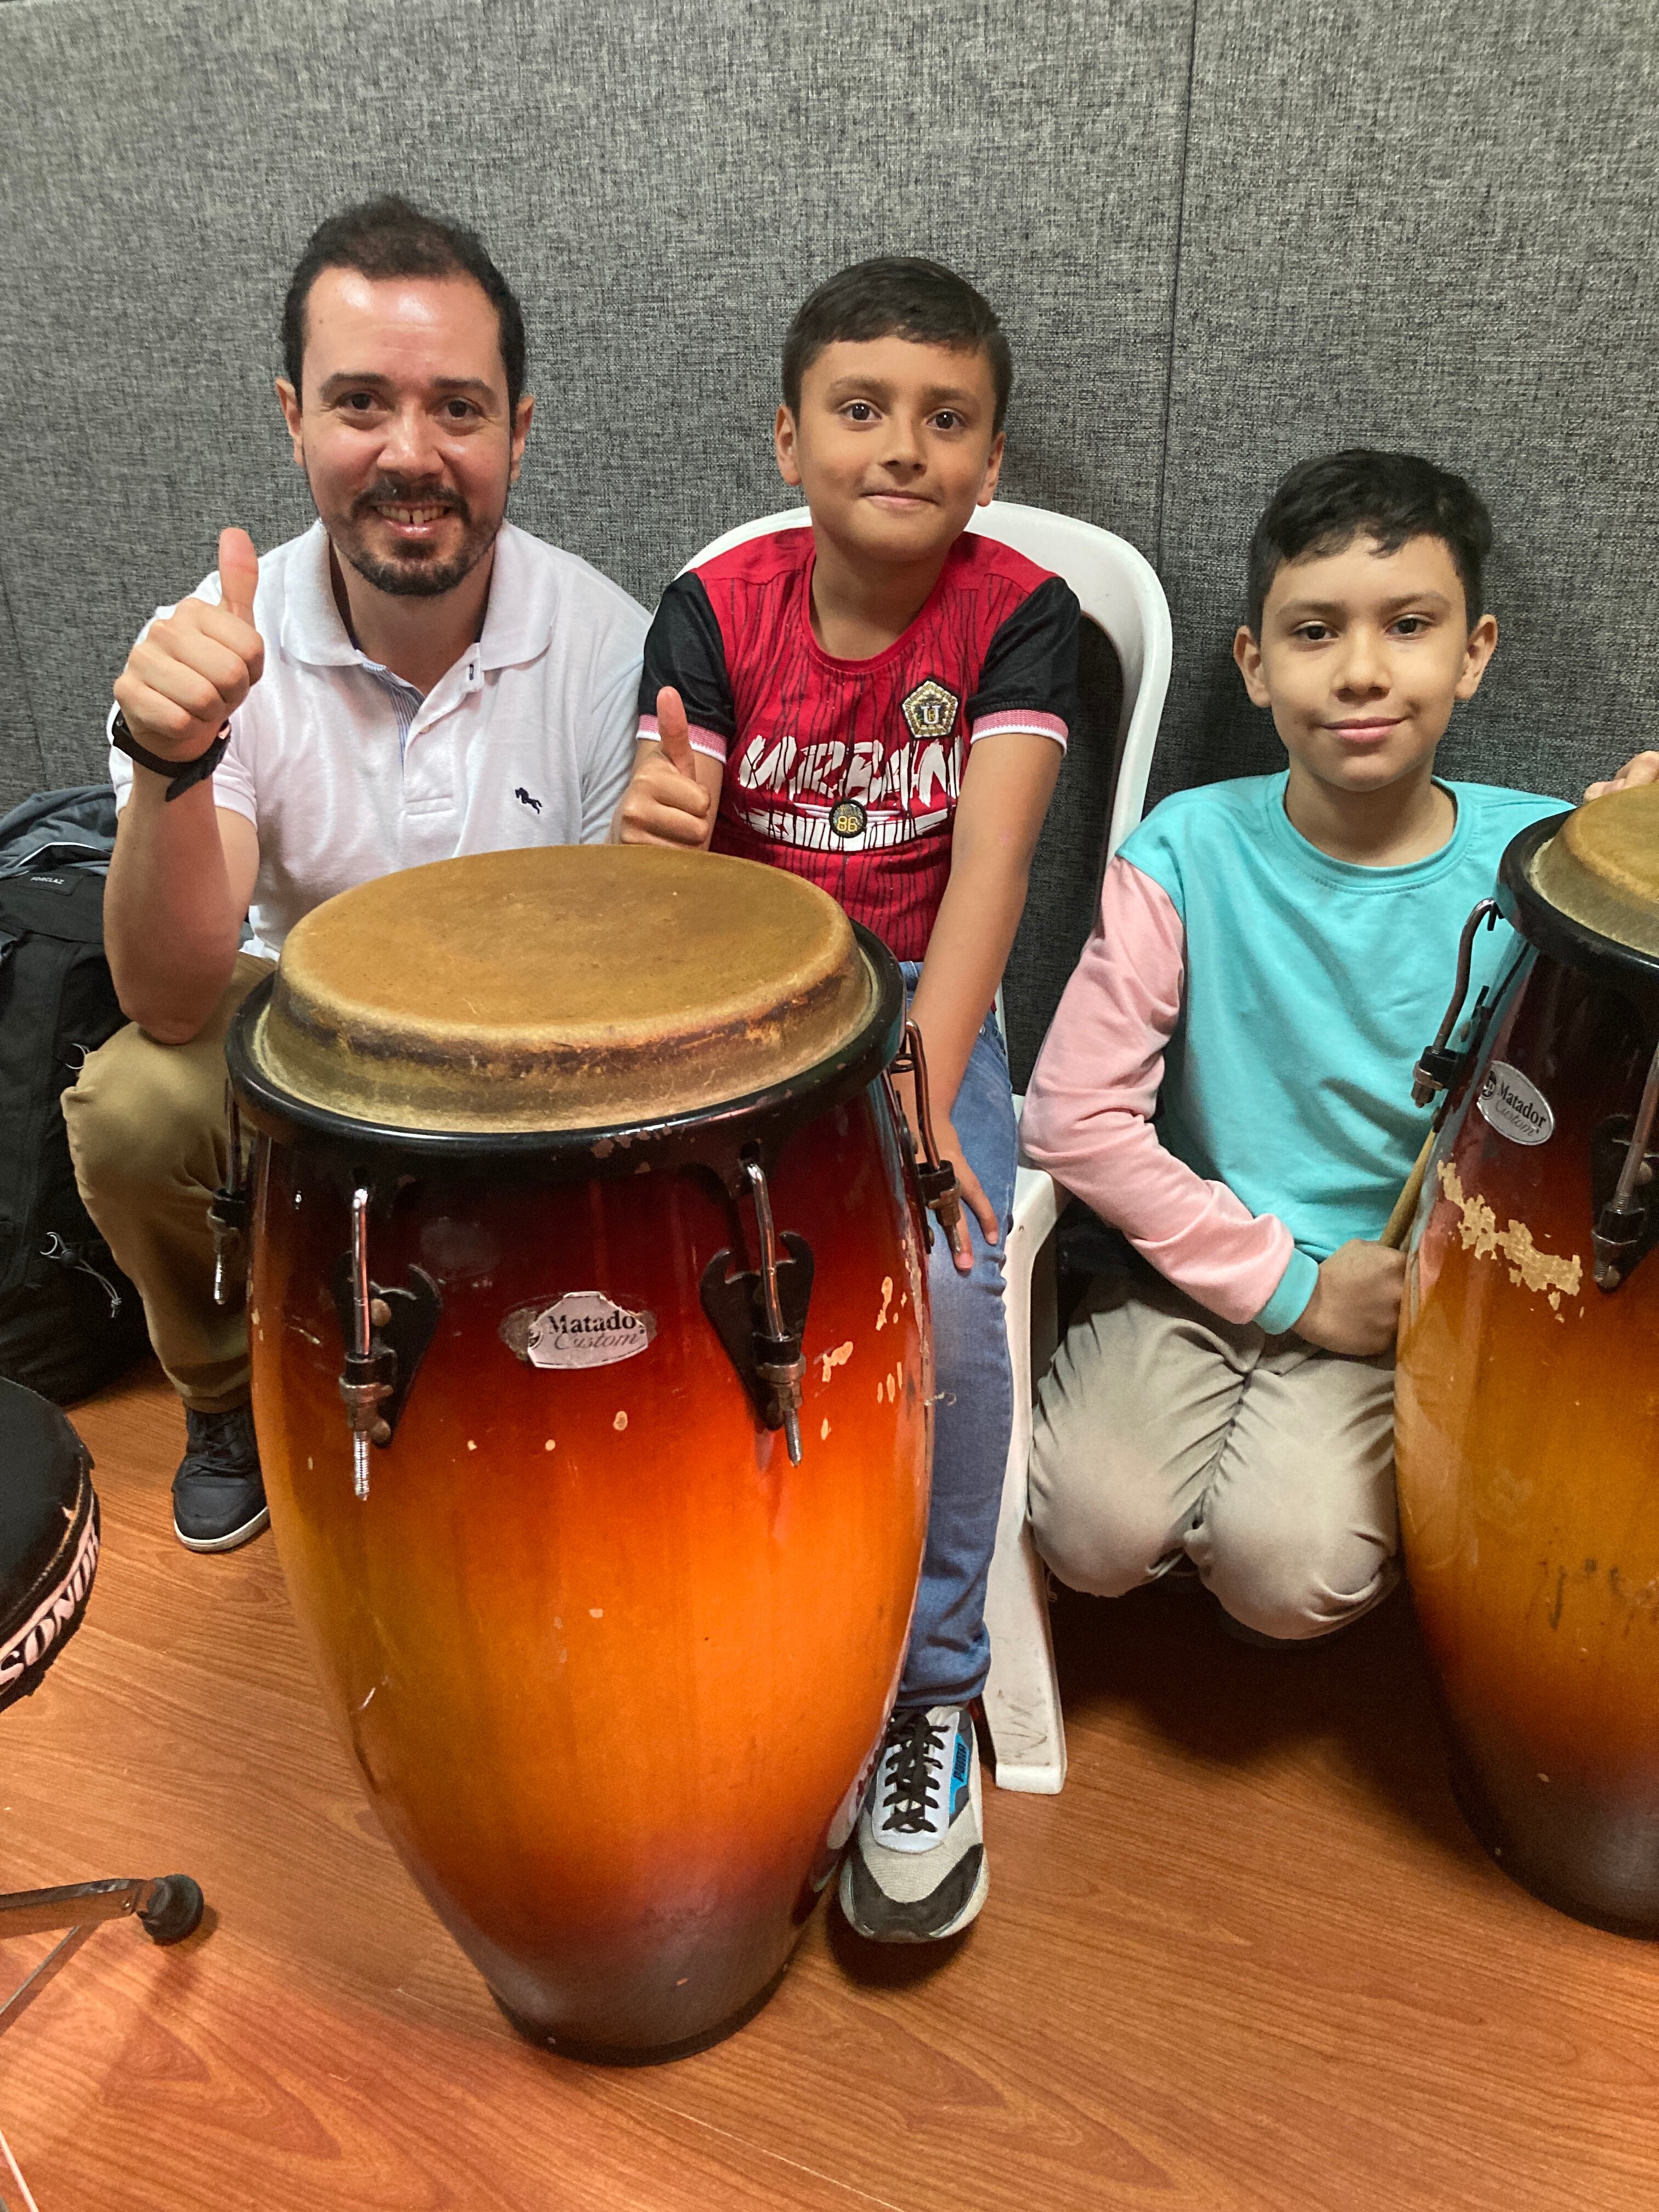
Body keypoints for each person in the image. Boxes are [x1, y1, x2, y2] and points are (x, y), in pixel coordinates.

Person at [612, 256, 1087, 1942]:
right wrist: (646, 841)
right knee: (655, 1267)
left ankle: (930, 1698)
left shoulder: (1024, 613)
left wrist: (926, 1098)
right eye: (863, 409)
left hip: (919, 1008)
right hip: (745, 1003)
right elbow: (669, 889)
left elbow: (991, 881)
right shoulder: (712, 599)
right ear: (789, 438)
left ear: (993, 455)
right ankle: (749, 1630)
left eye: (947, 419)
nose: (904, 446)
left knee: (950, 1283)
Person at [64, 196, 647, 1556]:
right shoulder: (210, 639)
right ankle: (225, 1394)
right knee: (137, 1099)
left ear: (519, 428)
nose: (411, 454)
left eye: (458, 407)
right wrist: (170, 761)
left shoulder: (616, 643)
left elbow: (622, 983)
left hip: (524, 1051)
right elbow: (165, 997)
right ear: (291, 418)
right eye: (360, 404)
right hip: (297, 1037)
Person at [1021, 448, 1658, 1645]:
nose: (1362, 673)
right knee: (1089, 1533)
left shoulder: (1547, 864)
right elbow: (1073, 1118)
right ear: (1255, 666)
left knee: (1284, 1569)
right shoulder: (1188, 849)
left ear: (1474, 651)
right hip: (1199, 1275)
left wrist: (1647, 837)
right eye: (1314, 633)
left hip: (1402, 1312)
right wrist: (1292, 1287)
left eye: (1408, 625)